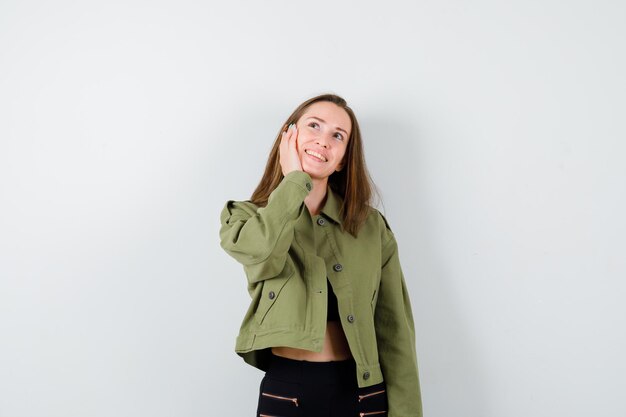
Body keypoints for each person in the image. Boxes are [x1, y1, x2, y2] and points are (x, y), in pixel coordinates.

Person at [219, 93, 422, 416]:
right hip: (289, 390)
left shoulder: (371, 227)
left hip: (363, 392)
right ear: (289, 137)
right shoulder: (246, 216)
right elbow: (260, 251)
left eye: (337, 136)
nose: (323, 141)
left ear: (342, 159)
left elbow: (394, 328)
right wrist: (294, 181)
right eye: (314, 126)